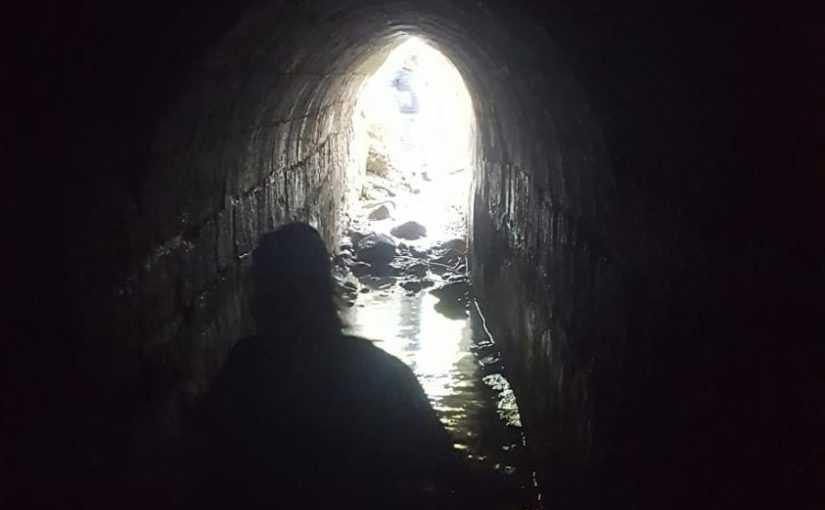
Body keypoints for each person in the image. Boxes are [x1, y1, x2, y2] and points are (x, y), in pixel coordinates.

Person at [199, 223, 465, 509]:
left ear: (259, 298)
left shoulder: (243, 375)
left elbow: (207, 467)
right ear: (326, 289)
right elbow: (454, 477)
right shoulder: (383, 376)